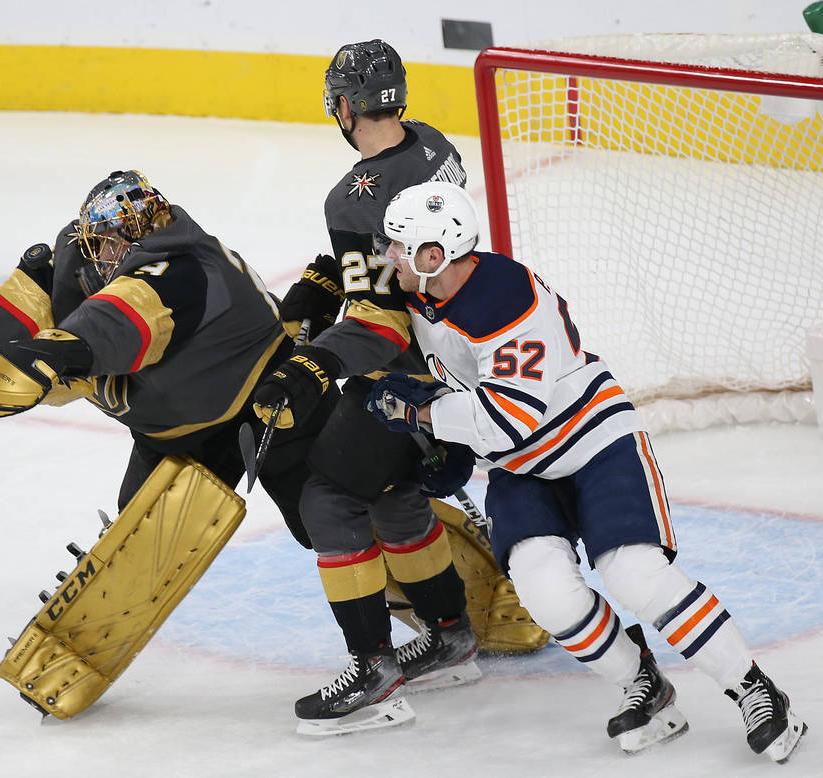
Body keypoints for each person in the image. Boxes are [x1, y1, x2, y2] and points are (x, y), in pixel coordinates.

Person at [365, 180, 807, 762]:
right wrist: (320, 295)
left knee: (634, 575)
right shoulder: (418, 282)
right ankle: (640, 680)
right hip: (522, 470)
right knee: (546, 593)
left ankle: (756, 689)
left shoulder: (505, 301)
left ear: (435, 256)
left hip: (593, 442)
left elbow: (508, 422)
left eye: (400, 248)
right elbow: (362, 288)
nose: (388, 257)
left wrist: (422, 412)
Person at [0, 169, 336, 717]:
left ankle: (439, 602)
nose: (107, 255)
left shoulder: (178, 273)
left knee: (330, 516)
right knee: (136, 548)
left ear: (146, 234)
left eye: (121, 244)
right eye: (102, 244)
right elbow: (38, 299)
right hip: (171, 428)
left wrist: (46, 358)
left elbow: (107, 329)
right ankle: (70, 657)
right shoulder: (81, 251)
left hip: (266, 400)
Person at [251, 40, 546, 736]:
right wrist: (324, 283)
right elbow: (398, 257)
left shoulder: (351, 196)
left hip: (412, 375)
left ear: (344, 106)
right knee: (394, 492)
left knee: (330, 496)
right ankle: (449, 636)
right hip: (472, 351)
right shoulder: (435, 145)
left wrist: (317, 358)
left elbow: (383, 311)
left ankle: (374, 672)